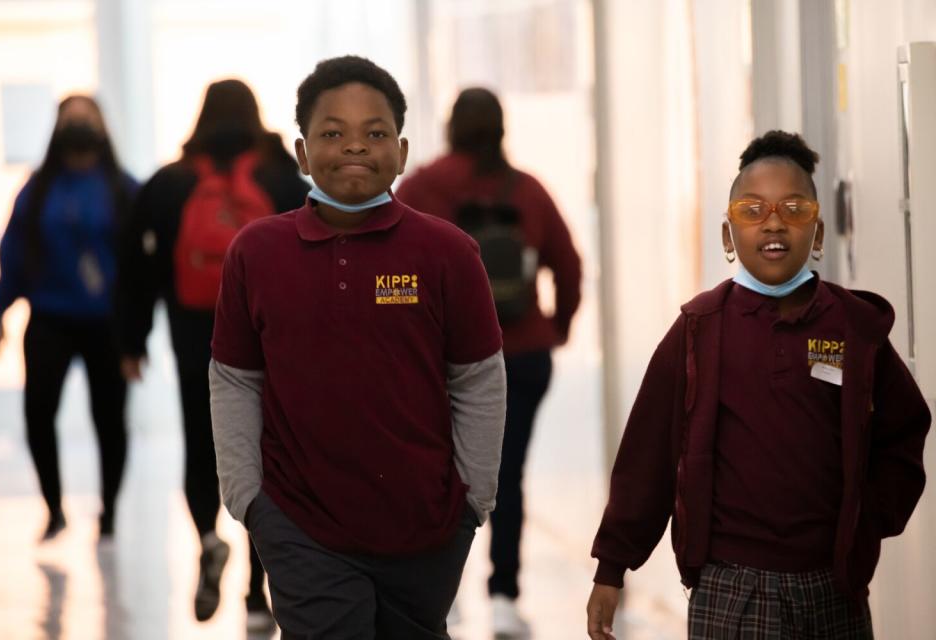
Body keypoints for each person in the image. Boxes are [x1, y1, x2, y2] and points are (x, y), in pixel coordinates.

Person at [586, 131, 930, 639]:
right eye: (753, 210)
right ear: (729, 236)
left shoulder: (854, 329)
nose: (773, 222)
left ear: (816, 232)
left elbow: (904, 432)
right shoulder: (699, 330)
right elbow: (647, 456)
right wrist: (612, 567)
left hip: (832, 587)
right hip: (730, 590)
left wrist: (866, 524)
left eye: (793, 208)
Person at [209, 55, 507, 639]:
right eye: (332, 133)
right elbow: (235, 379)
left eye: (374, 133)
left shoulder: (447, 253)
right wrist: (249, 500)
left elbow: (477, 379)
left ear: (400, 151)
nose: (354, 147)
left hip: (426, 527)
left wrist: (472, 502)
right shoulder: (256, 252)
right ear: (300, 153)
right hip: (299, 523)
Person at [116, 79, 309, 630]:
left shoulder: (168, 184)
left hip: (196, 339)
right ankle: (255, 591)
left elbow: (134, 269)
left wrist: (131, 343)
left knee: (203, 444)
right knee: (267, 455)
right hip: (272, 340)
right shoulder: (281, 179)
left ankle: (206, 538)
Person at [396, 87, 582, 636]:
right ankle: (503, 596)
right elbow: (568, 267)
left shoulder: (422, 186)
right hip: (520, 352)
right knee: (507, 474)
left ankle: (440, 593)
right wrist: (557, 329)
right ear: (501, 130)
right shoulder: (527, 191)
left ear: (453, 127)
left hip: (439, 359)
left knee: (435, 472)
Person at [0, 95, 137, 542]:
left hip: (107, 323)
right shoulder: (37, 188)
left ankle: (109, 511)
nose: (78, 124)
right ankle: (53, 509)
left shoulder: (122, 187)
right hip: (50, 317)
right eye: (70, 118)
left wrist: (139, 328)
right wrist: (0, 311)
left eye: (86, 117)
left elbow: (139, 263)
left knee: (109, 418)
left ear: (102, 126)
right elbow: (13, 250)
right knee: (38, 412)